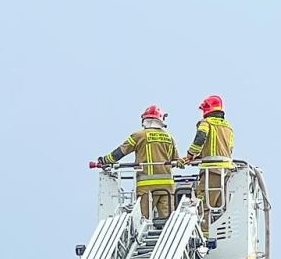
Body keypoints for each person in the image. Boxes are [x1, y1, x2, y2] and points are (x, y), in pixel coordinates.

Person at [98, 106, 179, 222]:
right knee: (168, 222)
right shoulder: (169, 137)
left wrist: (104, 161)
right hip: (167, 186)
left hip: (146, 186)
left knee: (141, 221)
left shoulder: (138, 136)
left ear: (145, 120)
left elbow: (120, 152)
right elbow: (175, 160)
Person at [183, 95, 235, 226]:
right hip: (226, 171)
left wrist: (190, 155)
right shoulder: (229, 127)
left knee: (203, 204)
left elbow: (200, 138)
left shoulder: (206, 123)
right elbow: (229, 148)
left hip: (211, 170)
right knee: (219, 205)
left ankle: (204, 233)